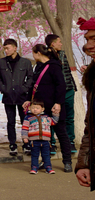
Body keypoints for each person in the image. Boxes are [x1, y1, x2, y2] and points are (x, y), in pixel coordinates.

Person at [25, 44, 72, 173]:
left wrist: (58, 103)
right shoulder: (39, 67)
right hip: (40, 108)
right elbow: (33, 85)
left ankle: (67, 161)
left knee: (61, 134)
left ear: (39, 53)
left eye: (33, 53)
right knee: (41, 137)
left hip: (54, 107)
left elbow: (61, 86)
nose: (33, 56)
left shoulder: (54, 66)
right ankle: (45, 162)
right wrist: (29, 100)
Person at [0, 39, 34, 156]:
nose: (6, 51)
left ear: (15, 48)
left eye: (8, 48)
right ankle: (12, 144)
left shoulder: (25, 62)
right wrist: (4, 89)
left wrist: (24, 88)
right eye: (4, 49)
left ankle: (26, 143)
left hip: (22, 97)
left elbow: (31, 77)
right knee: (11, 121)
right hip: (8, 96)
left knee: (25, 121)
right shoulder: (1, 62)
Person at [45, 34, 77, 151]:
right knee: (52, 117)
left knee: (69, 117)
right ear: (53, 44)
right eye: (59, 41)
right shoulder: (46, 56)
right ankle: (51, 142)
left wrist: (72, 86)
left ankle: (70, 141)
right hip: (54, 93)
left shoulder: (63, 54)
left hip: (68, 90)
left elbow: (68, 71)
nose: (61, 44)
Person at [75, 16, 95, 189]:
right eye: (87, 39)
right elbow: (90, 126)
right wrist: (84, 163)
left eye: (94, 39)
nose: (88, 46)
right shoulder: (93, 77)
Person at [22, 100, 56, 174]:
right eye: (33, 108)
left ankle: (48, 167)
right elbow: (25, 128)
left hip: (45, 140)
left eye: (37, 108)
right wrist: (25, 137)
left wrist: (55, 113)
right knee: (35, 155)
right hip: (34, 141)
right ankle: (34, 167)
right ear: (30, 108)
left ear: (42, 109)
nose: (35, 109)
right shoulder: (28, 118)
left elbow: (54, 122)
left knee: (46, 155)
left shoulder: (46, 117)